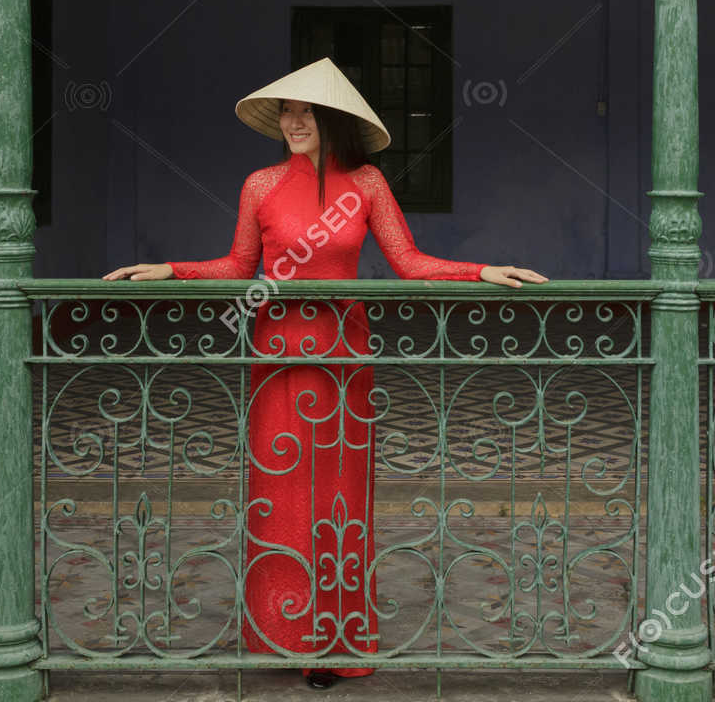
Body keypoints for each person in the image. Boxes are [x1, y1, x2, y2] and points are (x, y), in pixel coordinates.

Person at [105, 56, 546, 688]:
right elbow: (238, 266)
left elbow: (409, 262)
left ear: (335, 120)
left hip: (342, 352)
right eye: (287, 111)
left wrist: (484, 271)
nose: (294, 121)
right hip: (278, 350)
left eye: (307, 111)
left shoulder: (365, 184)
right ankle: (282, 633)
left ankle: (335, 642)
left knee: (337, 494)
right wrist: (168, 270)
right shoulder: (259, 184)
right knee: (280, 489)